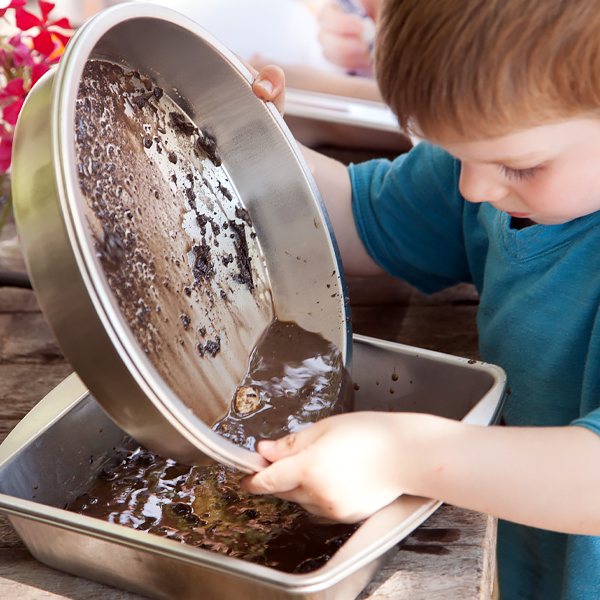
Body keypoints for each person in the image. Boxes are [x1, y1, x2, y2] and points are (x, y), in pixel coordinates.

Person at [246, 0, 600, 598]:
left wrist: (403, 454)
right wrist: (250, 140)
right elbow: (360, 218)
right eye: (455, 152)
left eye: (520, 166)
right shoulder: (498, 157)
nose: (473, 187)